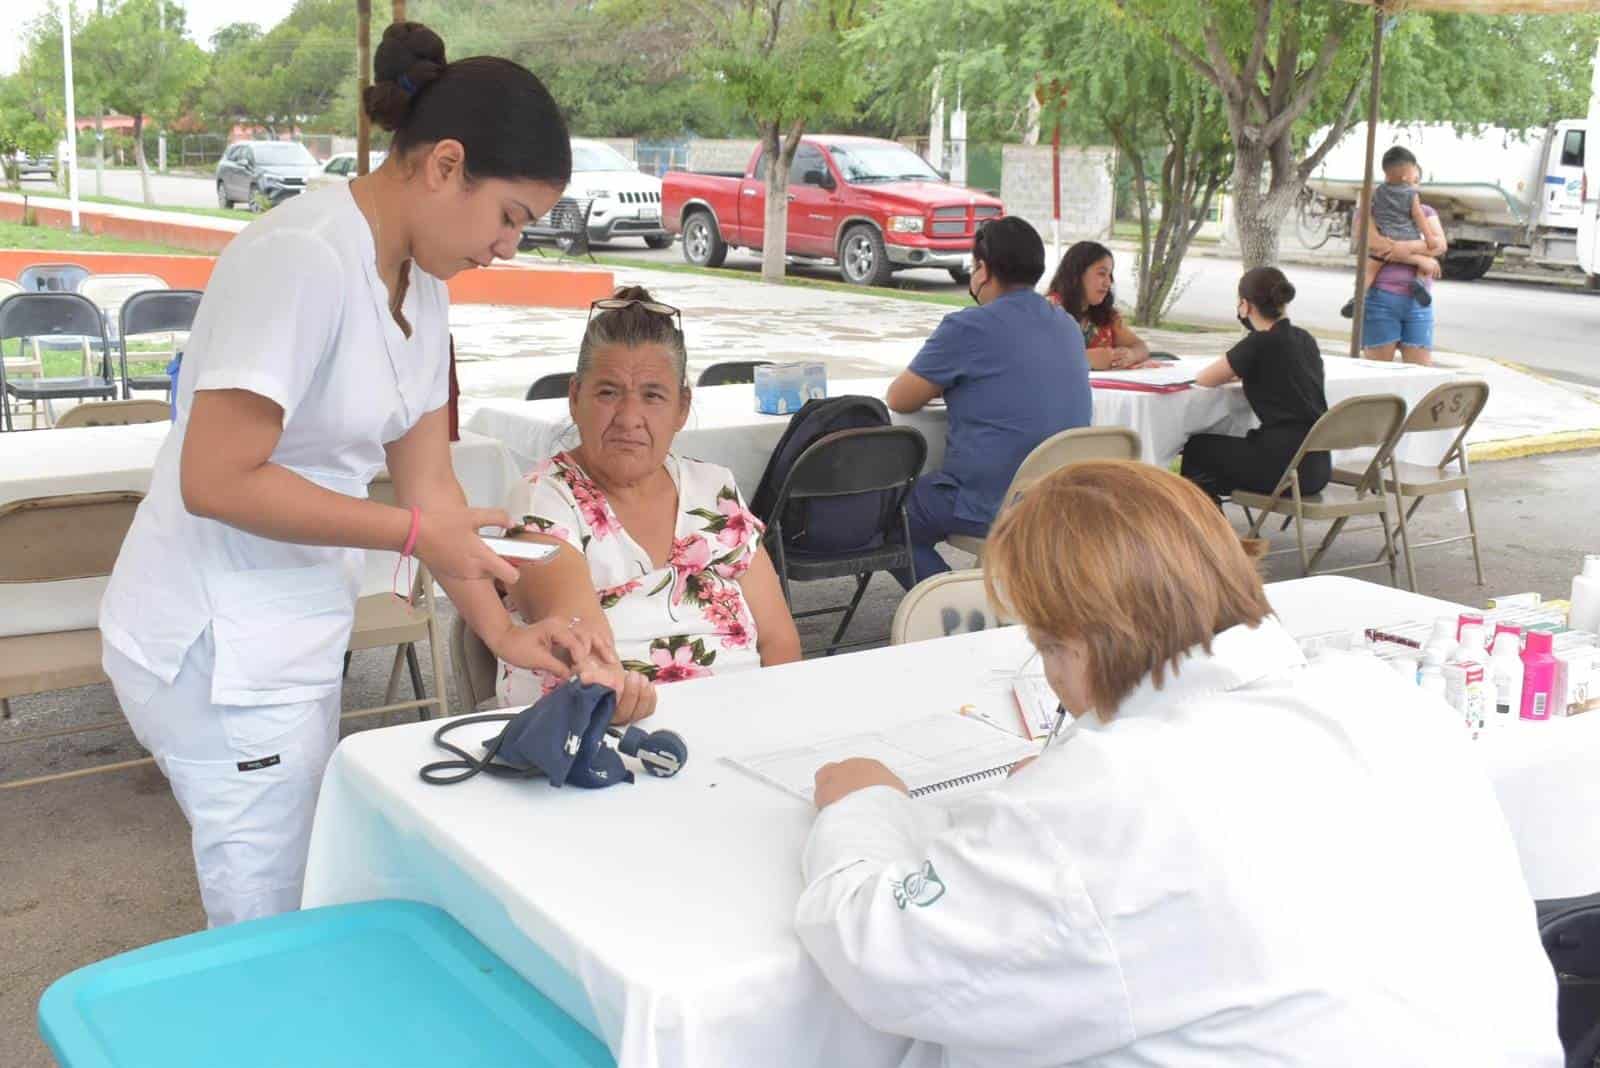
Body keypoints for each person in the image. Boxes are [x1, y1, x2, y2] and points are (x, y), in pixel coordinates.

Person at [96, 22, 627, 928]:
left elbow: (431, 492)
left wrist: (505, 632)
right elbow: (216, 479)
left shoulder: (421, 286)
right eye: (509, 217)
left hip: (285, 632)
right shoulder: (302, 258)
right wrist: (416, 537)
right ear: (444, 164)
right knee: (269, 918)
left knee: (309, 884)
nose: (508, 248)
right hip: (217, 647)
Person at [795, 461, 1562, 1067]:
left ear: (1078, 640)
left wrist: (863, 806)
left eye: (1043, 645)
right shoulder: (1386, 700)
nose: (1050, 673)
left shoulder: (1117, 795)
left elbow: (884, 956)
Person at [495, 286, 802, 706]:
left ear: (681, 407)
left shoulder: (714, 490)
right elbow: (582, 646)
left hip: (742, 724)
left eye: (653, 395)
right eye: (607, 392)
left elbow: (780, 642)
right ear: (574, 397)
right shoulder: (541, 501)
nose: (629, 417)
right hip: (601, 735)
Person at [885, 217, 1091, 586]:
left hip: (991, 501)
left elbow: (900, 398)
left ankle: (953, 613)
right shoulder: (1067, 325)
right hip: (1060, 500)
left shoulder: (968, 327)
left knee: (889, 518)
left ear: (983, 269)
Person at [1180, 267, 1329, 505]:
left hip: (1282, 469)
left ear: (1245, 305)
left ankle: (1209, 527)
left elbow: (1205, 379)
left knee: (1198, 449)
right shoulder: (1305, 339)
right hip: (1317, 469)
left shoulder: (1258, 344)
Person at [1359, 150, 1449, 367]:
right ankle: (1357, 298)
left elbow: (1440, 245)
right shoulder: (1374, 206)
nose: (1414, 184)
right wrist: (1419, 260)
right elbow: (1373, 243)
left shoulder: (1426, 211)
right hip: (1382, 298)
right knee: (1376, 369)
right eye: (1412, 177)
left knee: (1420, 370)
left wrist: (1402, 248)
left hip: (1419, 302)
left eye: (1417, 179)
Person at [1340, 145, 1435, 318]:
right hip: (1407, 238)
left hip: (1384, 238)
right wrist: (1428, 238)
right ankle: (1419, 282)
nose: (1416, 181)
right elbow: (1418, 216)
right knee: (1427, 261)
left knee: (1370, 269)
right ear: (1407, 176)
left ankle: (1358, 297)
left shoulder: (1378, 192)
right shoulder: (1412, 194)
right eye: (1415, 176)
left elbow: (1370, 213)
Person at [1045, 240, 1155, 370]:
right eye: (1102, 274)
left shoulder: (1107, 316)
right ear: (1077, 274)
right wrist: (1085, 359)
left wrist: (1131, 355)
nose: (1108, 283)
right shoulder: (1049, 310)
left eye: (1110, 275)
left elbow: (1140, 346)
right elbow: (1035, 358)